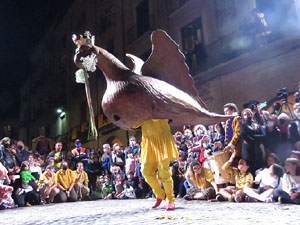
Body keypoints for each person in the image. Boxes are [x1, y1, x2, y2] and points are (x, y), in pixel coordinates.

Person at [134, 119, 179, 210]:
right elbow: (134, 124)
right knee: (145, 170)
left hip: (163, 141)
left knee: (164, 173)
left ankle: (170, 200)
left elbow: (168, 114)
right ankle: (159, 194)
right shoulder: (141, 107)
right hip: (149, 143)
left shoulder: (162, 105)